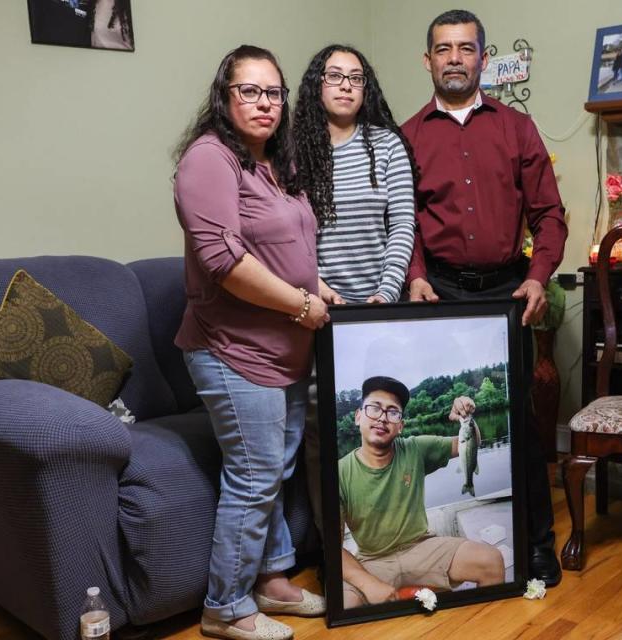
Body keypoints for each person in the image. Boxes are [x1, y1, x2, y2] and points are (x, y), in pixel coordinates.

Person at [401, 9, 568, 586]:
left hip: (507, 289)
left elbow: (548, 213)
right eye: (443, 49)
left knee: (520, 420)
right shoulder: (409, 135)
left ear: (483, 59)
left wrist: (540, 276)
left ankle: (538, 544)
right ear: (428, 61)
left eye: (465, 49)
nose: (454, 58)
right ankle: (441, 550)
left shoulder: (517, 128)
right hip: (438, 291)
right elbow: (405, 223)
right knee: (456, 412)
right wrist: (415, 274)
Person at [173, 45, 328, 640]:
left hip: (286, 351)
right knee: (256, 472)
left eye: (273, 92)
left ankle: (270, 578)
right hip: (232, 351)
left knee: (276, 468)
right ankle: (226, 606)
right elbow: (225, 262)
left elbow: (290, 249)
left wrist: (321, 289)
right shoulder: (208, 160)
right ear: (225, 96)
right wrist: (302, 305)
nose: (264, 103)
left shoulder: (272, 162)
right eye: (249, 91)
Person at [340, 376, 505, 607]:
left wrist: (466, 416)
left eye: (393, 412)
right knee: (345, 603)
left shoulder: (415, 449)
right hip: (372, 560)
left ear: (401, 425)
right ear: (358, 416)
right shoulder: (339, 472)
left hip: (422, 546)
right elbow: (333, 548)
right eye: (374, 408)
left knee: (491, 561)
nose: (382, 418)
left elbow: (471, 441)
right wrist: (369, 584)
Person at [294, 44, 417, 305]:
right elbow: (286, 235)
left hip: (379, 303)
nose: (346, 85)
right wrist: (314, 286)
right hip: (315, 302)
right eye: (335, 76)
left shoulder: (387, 145)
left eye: (356, 78)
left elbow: (402, 225)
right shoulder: (293, 152)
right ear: (317, 84)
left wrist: (387, 293)